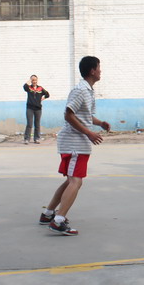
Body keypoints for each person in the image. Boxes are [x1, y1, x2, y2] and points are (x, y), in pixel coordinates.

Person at [39, 56, 110, 236]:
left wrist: (100, 123)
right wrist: (89, 133)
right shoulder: (80, 91)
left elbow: (84, 116)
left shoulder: (88, 91)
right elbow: (68, 115)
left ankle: (48, 214)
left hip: (78, 143)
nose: (101, 71)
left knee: (70, 181)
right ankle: (58, 221)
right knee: (76, 181)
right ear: (92, 71)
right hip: (74, 143)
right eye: (99, 68)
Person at [23, 75, 50, 144]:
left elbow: (47, 94)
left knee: (37, 124)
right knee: (29, 124)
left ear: (37, 80)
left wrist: (43, 98)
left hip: (38, 109)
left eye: (35, 80)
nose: (34, 81)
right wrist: (29, 80)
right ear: (31, 81)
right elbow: (24, 86)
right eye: (33, 80)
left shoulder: (40, 88)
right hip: (30, 108)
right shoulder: (29, 88)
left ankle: (37, 138)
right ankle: (27, 139)